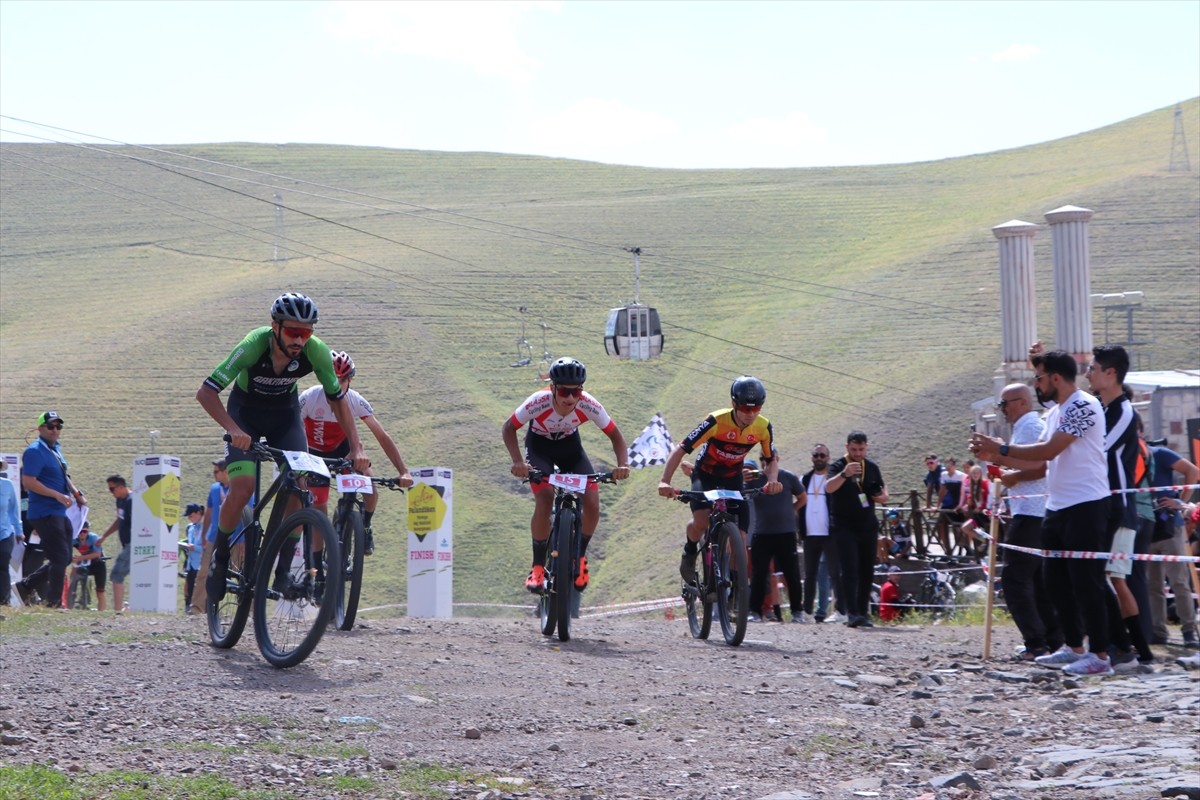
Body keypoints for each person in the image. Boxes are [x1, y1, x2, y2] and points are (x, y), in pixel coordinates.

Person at [196, 293, 369, 603]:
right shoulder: (253, 344)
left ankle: (283, 571)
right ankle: (220, 559)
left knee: (298, 487)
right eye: (293, 331)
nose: (300, 340)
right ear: (274, 326)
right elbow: (206, 392)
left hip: (284, 416)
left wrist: (356, 447)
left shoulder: (315, 351)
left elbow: (337, 400)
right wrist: (233, 429)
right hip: (244, 413)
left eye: (307, 332)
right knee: (243, 488)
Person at [971, 348, 1114, 676]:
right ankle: (1073, 646)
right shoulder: (1055, 413)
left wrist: (1000, 449)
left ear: (1056, 378)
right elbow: (1039, 458)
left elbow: (1048, 450)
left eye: (1039, 377)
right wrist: (996, 453)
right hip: (1058, 505)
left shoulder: (1083, 405)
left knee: (1085, 582)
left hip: (1087, 503)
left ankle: (1101, 656)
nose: (1036, 385)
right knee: (1055, 581)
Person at [503, 357, 630, 592]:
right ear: (552, 388)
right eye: (563, 391)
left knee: (592, 502)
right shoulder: (538, 401)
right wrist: (518, 461)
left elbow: (616, 437)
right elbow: (509, 428)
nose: (570, 398)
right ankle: (538, 567)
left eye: (576, 392)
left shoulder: (589, 404)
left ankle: (579, 557)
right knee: (545, 498)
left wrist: (622, 465)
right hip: (539, 448)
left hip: (570, 449)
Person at [658, 376, 782, 585]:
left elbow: (771, 460)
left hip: (732, 478)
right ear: (734, 403)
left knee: (741, 540)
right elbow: (681, 449)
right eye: (745, 408)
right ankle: (690, 551)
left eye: (756, 408)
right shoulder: (716, 421)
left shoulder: (763, 427)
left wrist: (772, 480)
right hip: (705, 475)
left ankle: (734, 590)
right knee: (702, 521)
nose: (750, 414)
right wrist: (664, 481)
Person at [299, 350, 414, 554]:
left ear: (350, 379)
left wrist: (403, 470)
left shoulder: (354, 400)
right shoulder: (310, 397)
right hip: (314, 454)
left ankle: (366, 526)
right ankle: (317, 566)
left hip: (343, 452)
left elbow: (382, 436)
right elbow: (294, 430)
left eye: (341, 380)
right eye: (331, 380)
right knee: (319, 508)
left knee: (370, 489)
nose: (335, 386)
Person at [1087, 345, 1154, 664]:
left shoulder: (1124, 411)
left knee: (1114, 577)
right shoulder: (1102, 409)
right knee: (1105, 576)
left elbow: (1096, 449)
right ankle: (1128, 646)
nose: (1088, 373)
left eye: (1093, 368)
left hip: (1120, 505)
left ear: (1110, 373)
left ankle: (1136, 648)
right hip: (1103, 503)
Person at [987, 383, 1061, 661]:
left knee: (1015, 578)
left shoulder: (1029, 427)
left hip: (1031, 511)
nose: (1002, 410)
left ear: (1021, 402)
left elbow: (1040, 466)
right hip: (1033, 509)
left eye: (1004, 404)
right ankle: (1053, 640)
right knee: (1037, 580)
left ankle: (1036, 642)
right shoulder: (1026, 426)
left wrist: (1012, 475)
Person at [20, 411, 86, 608]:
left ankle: (26, 585)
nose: (55, 430)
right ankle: (54, 604)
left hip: (58, 511)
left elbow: (64, 474)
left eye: (58, 426)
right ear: (40, 428)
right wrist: (57, 495)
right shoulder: (34, 451)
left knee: (64, 557)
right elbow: (28, 482)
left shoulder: (55, 449)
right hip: (44, 511)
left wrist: (76, 493)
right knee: (58, 557)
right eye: (51, 426)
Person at [826, 431, 889, 628]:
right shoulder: (837, 466)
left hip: (867, 526)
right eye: (854, 449)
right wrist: (844, 475)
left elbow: (884, 494)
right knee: (849, 569)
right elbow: (828, 488)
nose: (858, 453)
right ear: (847, 448)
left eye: (861, 449)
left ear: (866, 448)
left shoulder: (871, 467)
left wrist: (879, 496)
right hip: (844, 526)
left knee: (866, 570)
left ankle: (863, 613)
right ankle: (851, 613)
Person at [1143, 437, 1200, 647]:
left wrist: (1181, 502)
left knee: (1179, 581)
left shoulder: (1160, 454)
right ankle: (1158, 631)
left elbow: (1193, 471)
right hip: (1146, 527)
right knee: (1152, 584)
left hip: (1169, 526)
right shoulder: (1129, 457)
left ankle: (1188, 631)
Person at [744, 459, 806, 623]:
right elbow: (742, 495)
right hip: (762, 533)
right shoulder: (754, 478)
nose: (768, 463)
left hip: (786, 533)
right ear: (761, 461)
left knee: (791, 574)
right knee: (759, 574)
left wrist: (790, 510)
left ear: (777, 460)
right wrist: (742, 479)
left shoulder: (788, 477)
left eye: (771, 459)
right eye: (765, 459)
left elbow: (802, 497)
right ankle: (755, 612)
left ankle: (797, 612)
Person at [799, 444, 842, 623]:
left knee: (835, 573)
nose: (819, 458)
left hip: (829, 533)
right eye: (816, 455)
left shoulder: (833, 479)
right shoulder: (805, 479)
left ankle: (841, 611)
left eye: (822, 455)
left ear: (828, 457)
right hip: (810, 534)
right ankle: (806, 612)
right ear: (812, 458)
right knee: (810, 575)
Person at [189, 459, 228, 613]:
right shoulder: (214, 489)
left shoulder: (238, 488)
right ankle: (197, 607)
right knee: (204, 572)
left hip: (238, 538)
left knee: (243, 574)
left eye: (216, 472)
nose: (213, 475)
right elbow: (210, 512)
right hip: (214, 537)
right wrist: (204, 534)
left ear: (226, 472)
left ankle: (249, 611)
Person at [97, 474, 132, 611]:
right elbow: (119, 520)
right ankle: (121, 608)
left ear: (122, 487)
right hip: (127, 544)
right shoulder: (120, 500)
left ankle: (118, 610)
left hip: (133, 544)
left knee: (117, 574)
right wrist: (104, 536)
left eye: (112, 489)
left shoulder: (131, 501)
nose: (111, 493)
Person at [71, 520, 106, 610]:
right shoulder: (74, 539)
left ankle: (101, 612)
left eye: (84, 531)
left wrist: (80, 558)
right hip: (86, 563)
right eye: (80, 531)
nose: (82, 534)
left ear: (88, 531)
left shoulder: (93, 537)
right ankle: (72, 594)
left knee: (100, 592)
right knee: (74, 568)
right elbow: (66, 549)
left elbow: (97, 554)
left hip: (98, 563)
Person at [935, 457, 965, 555]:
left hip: (958, 504)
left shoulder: (961, 476)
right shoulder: (944, 475)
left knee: (960, 527)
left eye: (950, 465)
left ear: (954, 466)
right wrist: (937, 505)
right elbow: (942, 491)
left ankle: (964, 549)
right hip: (947, 504)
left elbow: (965, 491)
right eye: (946, 465)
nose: (948, 467)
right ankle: (947, 550)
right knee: (941, 525)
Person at [0, 465, 21, 606]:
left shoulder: (7, 485)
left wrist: (19, 531)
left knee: (2, 566)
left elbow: (14, 509)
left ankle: (4, 601)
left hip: (4, 533)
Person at [181, 503, 204, 614]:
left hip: (201, 562)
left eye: (191, 516)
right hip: (191, 562)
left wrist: (195, 547)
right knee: (189, 584)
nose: (189, 519)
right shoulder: (190, 528)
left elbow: (208, 547)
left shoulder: (205, 527)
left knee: (200, 587)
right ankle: (190, 607)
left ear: (198, 513)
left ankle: (200, 609)